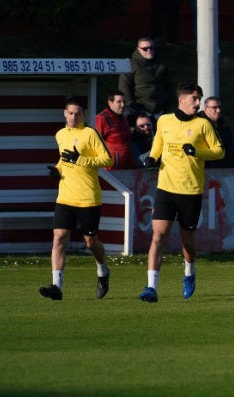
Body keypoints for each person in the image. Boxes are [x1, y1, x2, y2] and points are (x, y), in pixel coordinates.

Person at [138, 83, 225, 302]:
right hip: (166, 188)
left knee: (187, 242)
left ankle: (189, 273)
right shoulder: (164, 121)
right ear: (182, 100)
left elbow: (219, 152)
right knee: (158, 236)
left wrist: (197, 151)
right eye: (194, 99)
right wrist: (152, 157)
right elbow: (158, 145)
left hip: (191, 190)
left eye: (199, 99)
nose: (198, 103)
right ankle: (151, 287)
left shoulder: (203, 124)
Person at [39, 97, 114, 301]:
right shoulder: (61, 134)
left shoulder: (90, 134)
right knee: (59, 237)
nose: (73, 117)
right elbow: (64, 160)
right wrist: (57, 170)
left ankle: (103, 270)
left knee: (90, 243)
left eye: (77, 114)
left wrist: (81, 159)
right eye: (70, 113)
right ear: (64, 113)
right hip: (65, 196)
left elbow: (107, 159)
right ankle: (57, 286)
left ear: (84, 115)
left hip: (88, 197)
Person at [119, 37, 171, 116]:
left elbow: (168, 86)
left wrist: (167, 105)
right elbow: (124, 86)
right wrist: (131, 106)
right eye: (145, 49)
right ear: (138, 49)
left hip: (160, 110)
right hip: (139, 110)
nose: (149, 51)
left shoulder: (161, 64)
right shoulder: (130, 65)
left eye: (151, 48)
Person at [95, 91, 132, 169]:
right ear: (110, 103)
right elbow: (95, 143)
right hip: (109, 170)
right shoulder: (101, 118)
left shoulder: (123, 119)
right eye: (119, 102)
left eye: (124, 102)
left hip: (125, 168)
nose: (123, 105)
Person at [201, 96, 234, 168]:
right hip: (204, 170)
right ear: (205, 109)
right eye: (214, 107)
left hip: (223, 170)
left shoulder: (224, 126)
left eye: (219, 107)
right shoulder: (198, 125)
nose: (218, 110)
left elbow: (229, 150)